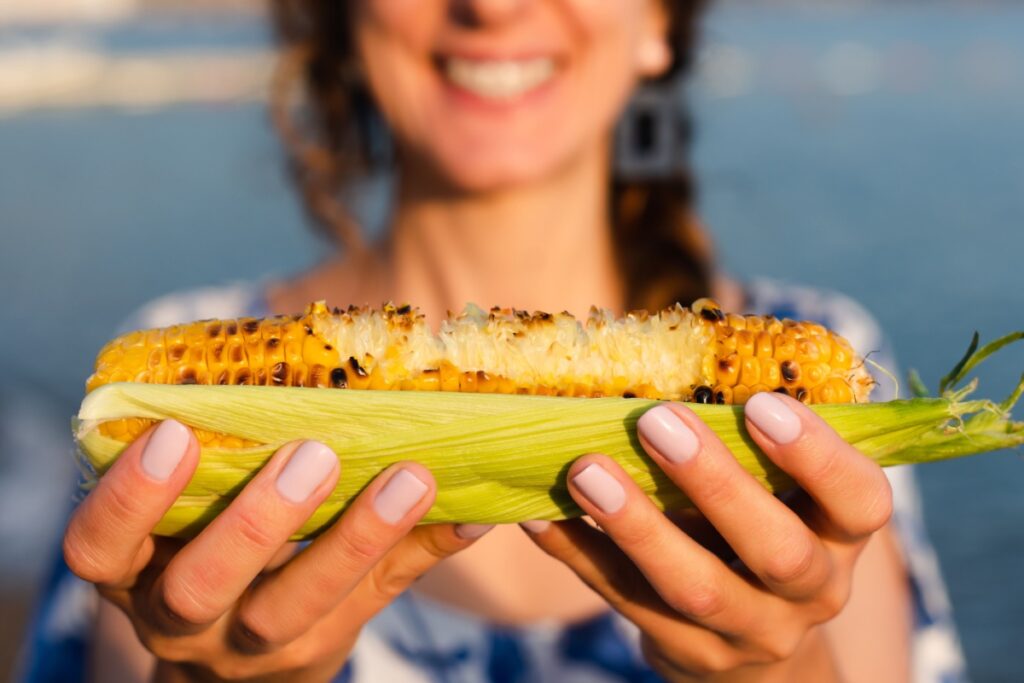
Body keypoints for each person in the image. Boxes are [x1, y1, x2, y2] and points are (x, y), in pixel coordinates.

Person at [22, 1, 967, 681]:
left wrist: (775, 667)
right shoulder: (167, 375)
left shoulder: (834, 361)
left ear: (660, 25)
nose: (493, 5)